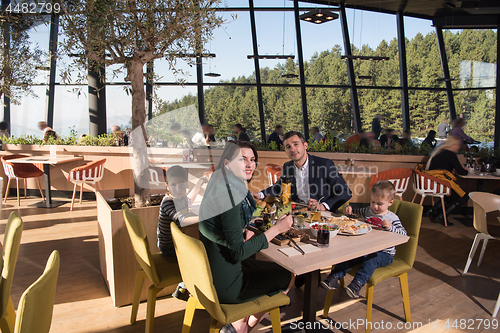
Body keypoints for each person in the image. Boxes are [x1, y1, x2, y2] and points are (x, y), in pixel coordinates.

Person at [199, 141, 294, 333]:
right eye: (242, 159)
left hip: (209, 273)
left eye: (252, 160)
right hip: (228, 283)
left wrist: (242, 232)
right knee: (288, 274)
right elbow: (238, 253)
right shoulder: (231, 196)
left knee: (277, 266)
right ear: (227, 163)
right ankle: (241, 327)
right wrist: (277, 229)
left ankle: (239, 325)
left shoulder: (219, 185)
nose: (250, 164)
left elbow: (223, 229)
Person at [320, 180, 406, 298]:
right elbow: (356, 212)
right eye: (372, 202)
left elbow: (404, 234)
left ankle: (356, 285)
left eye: (379, 204)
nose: (375, 206)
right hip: (367, 248)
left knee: (371, 261)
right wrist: (349, 209)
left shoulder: (392, 218)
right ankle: (333, 277)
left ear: (390, 202)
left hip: (384, 253)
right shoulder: (368, 210)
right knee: (349, 255)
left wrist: (391, 227)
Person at [254, 131, 351, 213]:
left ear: (305, 145)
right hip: (298, 212)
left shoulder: (324, 164)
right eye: (288, 146)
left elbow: (345, 192)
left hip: (322, 214)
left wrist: (323, 206)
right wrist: (259, 195)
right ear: (285, 151)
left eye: (296, 144)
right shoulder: (288, 166)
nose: (292, 149)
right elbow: (278, 187)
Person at [158, 166, 208, 301]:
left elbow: (189, 201)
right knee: (202, 257)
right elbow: (183, 219)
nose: (178, 188)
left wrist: (198, 184)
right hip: (169, 247)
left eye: (182, 185)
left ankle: (186, 286)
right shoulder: (168, 202)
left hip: (177, 245)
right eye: (174, 185)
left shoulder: (179, 198)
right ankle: (184, 286)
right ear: (167, 186)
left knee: (203, 251)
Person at [425, 136, 469, 226]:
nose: (458, 147)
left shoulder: (438, 152)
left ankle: (433, 210)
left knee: (451, 196)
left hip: (432, 183)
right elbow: (461, 172)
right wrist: (467, 170)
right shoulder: (450, 154)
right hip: (442, 183)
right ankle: (442, 215)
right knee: (464, 197)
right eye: (457, 145)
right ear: (452, 145)